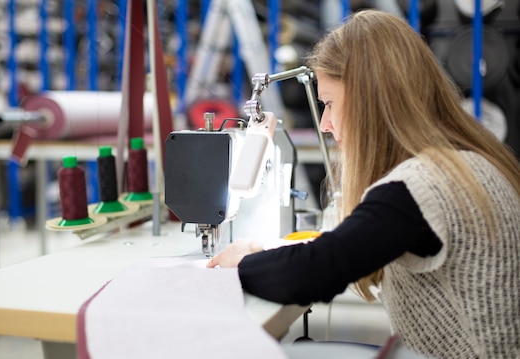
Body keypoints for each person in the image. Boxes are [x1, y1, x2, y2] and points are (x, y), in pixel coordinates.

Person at [206, 9, 520, 359]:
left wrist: (243, 263)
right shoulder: (463, 164)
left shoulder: (420, 188)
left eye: (329, 104)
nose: (324, 124)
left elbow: (312, 272)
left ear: (370, 99)